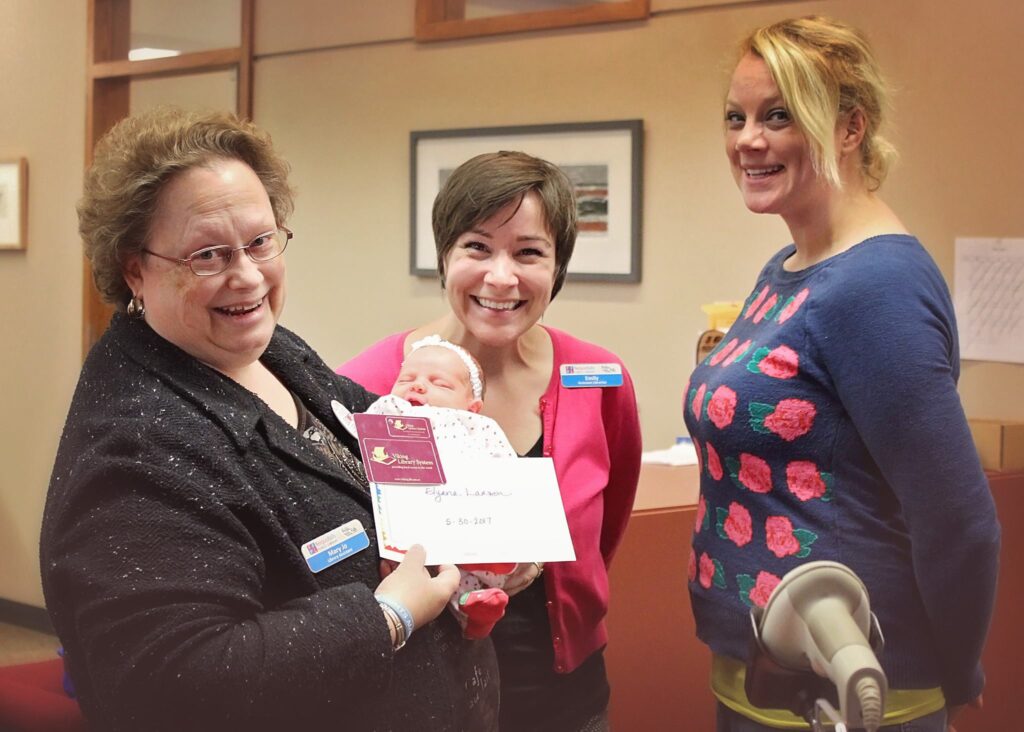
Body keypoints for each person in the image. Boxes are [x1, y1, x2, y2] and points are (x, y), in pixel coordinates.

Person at [40, 107, 498, 732]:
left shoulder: (275, 352)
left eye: (260, 241)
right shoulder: (137, 445)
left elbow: (378, 439)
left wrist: (488, 520)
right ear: (133, 268)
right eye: (208, 255)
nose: (249, 276)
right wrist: (385, 616)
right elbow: (170, 684)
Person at [684, 16, 1000, 732]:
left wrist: (957, 669)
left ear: (851, 128)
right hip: (762, 678)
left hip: (852, 688)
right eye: (736, 117)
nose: (747, 140)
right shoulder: (790, 269)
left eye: (779, 115)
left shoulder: (876, 285)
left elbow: (960, 521)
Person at [339, 150, 643, 732]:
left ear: (558, 268)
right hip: (415, 698)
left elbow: (605, 531)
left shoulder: (597, 377)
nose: (501, 277)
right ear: (444, 257)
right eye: (477, 247)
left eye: (529, 252)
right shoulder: (370, 383)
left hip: (565, 698)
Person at [335, 334, 520, 640]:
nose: (418, 385)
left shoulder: (478, 426)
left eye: (441, 383)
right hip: (409, 517)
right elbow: (356, 434)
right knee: (408, 567)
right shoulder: (391, 409)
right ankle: (460, 612)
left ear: (472, 406)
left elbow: (505, 464)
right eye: (407, 378)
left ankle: (474, 612)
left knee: (479, 566)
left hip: (467, 513)